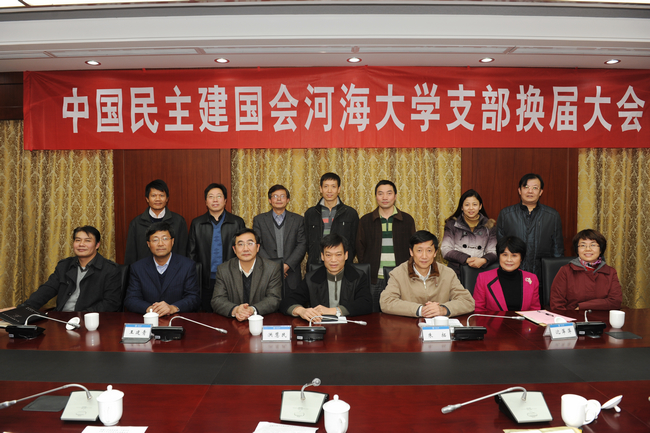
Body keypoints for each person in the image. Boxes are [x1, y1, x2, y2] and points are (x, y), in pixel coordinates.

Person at [14, 226, 121, 312]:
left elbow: (111, 303)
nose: (81, 244)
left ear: (97, 245)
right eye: (77, 240)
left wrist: (82, 316)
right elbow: (46, 290)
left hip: (90, 322)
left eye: (87, 241)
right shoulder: (64, 266)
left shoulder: (110, 269)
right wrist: (22, 309)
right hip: (61, 319)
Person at [380, 230, 474, 318]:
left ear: (435, 253)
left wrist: (443, 309)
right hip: (409, 326)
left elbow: (468, 302)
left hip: (439, 326)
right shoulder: (398, 273)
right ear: (411, 252)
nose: (424, 256)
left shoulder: (447, 273)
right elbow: (386, 302)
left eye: (429, 251)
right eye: (419, 251)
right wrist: (420, 310)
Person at [280, 233, 372, 322]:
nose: (333, 260)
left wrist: (334, 311)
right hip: (320, 327)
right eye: (328, 255)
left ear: (346, 255)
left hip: (350, 327)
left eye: (338, 255)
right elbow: (287, 301)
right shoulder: (311, 278)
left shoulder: (358, 276)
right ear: (322, 256)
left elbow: (366, 303)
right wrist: (301, 311)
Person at [356, 180, 416, 311]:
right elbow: (360, 248)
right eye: (380, 193)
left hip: (400, 278)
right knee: (372, 315)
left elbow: (414, 249)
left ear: (395, 196)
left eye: (389, 193)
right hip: (374, 279)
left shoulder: (407, 220)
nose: (385, 197)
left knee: (400, 315)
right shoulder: (366, 220)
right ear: (376, 196)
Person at [187, 183, 245, 312]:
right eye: (211, 196)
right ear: (206, 201)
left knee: (231, 313)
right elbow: (191, 253)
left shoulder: (237, 222)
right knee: (206, 315)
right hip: (205, 280)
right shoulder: (197, 223)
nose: (215, 200)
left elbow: (243, 251)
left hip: (232, 278)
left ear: (225, 200)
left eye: (219, 196)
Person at [124, 222, 200, 316]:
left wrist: (172, 308)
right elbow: (131, 299)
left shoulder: (187, 265)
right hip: (149, 319)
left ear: (172, 241)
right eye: (155, 240)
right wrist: (151, 309)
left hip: (178, 319)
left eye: (165, 239)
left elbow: (193, 298)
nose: (160, 244)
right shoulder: (138, 268)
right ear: (148, 244)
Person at [496, 173, 563, 280]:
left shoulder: (552, 216)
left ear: (541, 192)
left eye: (535, 188)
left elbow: (557, 251)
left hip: (542, 275)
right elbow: (500, 247)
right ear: (519, 190)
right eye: (526, 187)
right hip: (512, 275)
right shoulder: (506, 214)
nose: (530, 191)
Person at [211, 228, 283, 320]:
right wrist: (236, 310)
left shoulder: (272, 268)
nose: (245, 249)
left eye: (250, 243)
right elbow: (217, 300)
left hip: (262, 321)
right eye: (241, 244)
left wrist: (252, 310)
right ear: (234, 249)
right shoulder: (224, 269)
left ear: (257, 247)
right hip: (233, 322)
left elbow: (274, 299)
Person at [253, 185, 307, 294]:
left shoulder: (298, 220)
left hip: (291, 274)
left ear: (287, 200)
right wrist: (275, 267)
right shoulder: (259, 220)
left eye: (282, 196)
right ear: (270, 200)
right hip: (267, 273)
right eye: (275, 196)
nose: (278, 199)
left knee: (292, 303)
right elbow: (257, 245)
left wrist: (286, 266)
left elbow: (302, 245)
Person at [550, 229, 622, 311]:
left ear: (600, 249)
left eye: (593, 245)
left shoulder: (610, 272)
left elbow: (616, 302)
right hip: (572, 317)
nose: (588, 249)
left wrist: (583, 306)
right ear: (577, 250)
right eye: (583, 245)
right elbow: (557, 304)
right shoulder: (565, 271)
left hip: (602, 318)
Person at [125, 179, 188, 265]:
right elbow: (131, 254)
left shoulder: (179, 221)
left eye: (161, 195)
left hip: (173, 269)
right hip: (144, 270)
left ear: (167, 199)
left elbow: (183, 251)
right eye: (153, 195)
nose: (158, 199)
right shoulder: (136, 223)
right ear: (147, 199)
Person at [473, 236, 541, 313]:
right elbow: (478, 310)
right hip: (493, 320)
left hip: (524, 321)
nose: (509, 260)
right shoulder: (483, 278)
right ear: (499, 256)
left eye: (514, 255)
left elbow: (535, 311)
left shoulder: (532, 279)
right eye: (505, 255)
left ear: (521, 258)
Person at [304, 172, 359, 265]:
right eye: (326, 186)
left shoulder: (350, 213)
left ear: (339, 189)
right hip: (316, 263)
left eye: (333, 186)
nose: (329, 191)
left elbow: (354, 243)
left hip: (342, 264)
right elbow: (306, 242)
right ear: (321, 189)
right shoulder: (311, 213)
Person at [441, 189, 497, 278]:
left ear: (480, 206)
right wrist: (466, 259)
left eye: (474, 204)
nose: (471, 208)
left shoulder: (489, 226)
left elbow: (493, 251)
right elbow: (446, 250)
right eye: (467, 205)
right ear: (462, 207)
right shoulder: (452, 224)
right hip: (456, 271)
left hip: (481, 271)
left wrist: (483, 260)